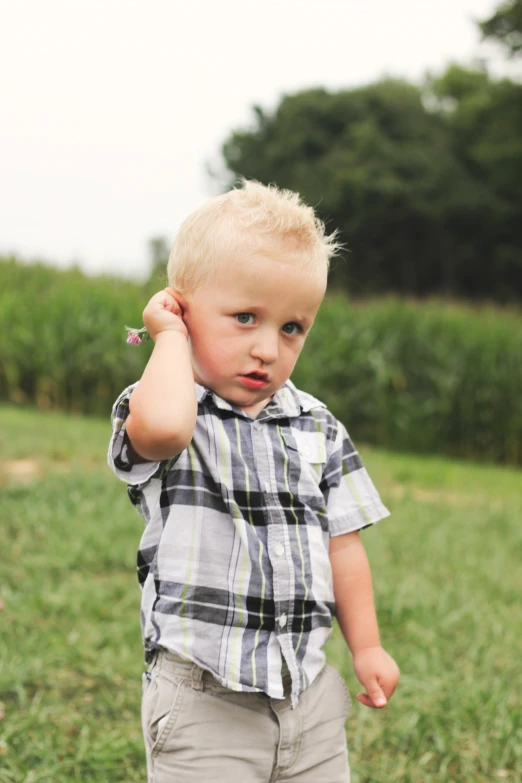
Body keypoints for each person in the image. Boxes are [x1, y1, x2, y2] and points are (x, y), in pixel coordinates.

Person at [108, 180, 399, 782]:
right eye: (245, 318)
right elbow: (160, 430)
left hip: (306, 694)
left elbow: (342, 542)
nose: (268, 347)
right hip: (203, 699)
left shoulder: (316, 424)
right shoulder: (175, 406)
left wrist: (366, 646)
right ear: (182, 308)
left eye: (292, 327)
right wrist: (168, 338)